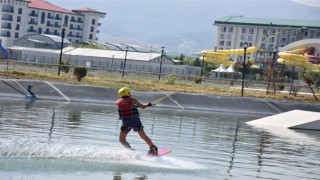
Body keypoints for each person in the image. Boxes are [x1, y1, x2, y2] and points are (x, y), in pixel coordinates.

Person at [115, 87, 158, 155]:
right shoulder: (133, 100)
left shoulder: (117, 102)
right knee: (144, 137)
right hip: (136, 122)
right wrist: (149, 104)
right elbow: (143, 106)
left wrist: (138, 106)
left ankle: (131, 152)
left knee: (122, 140)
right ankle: (154, 149)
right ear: (128, 93)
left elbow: (127, 106)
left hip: (126, 124)